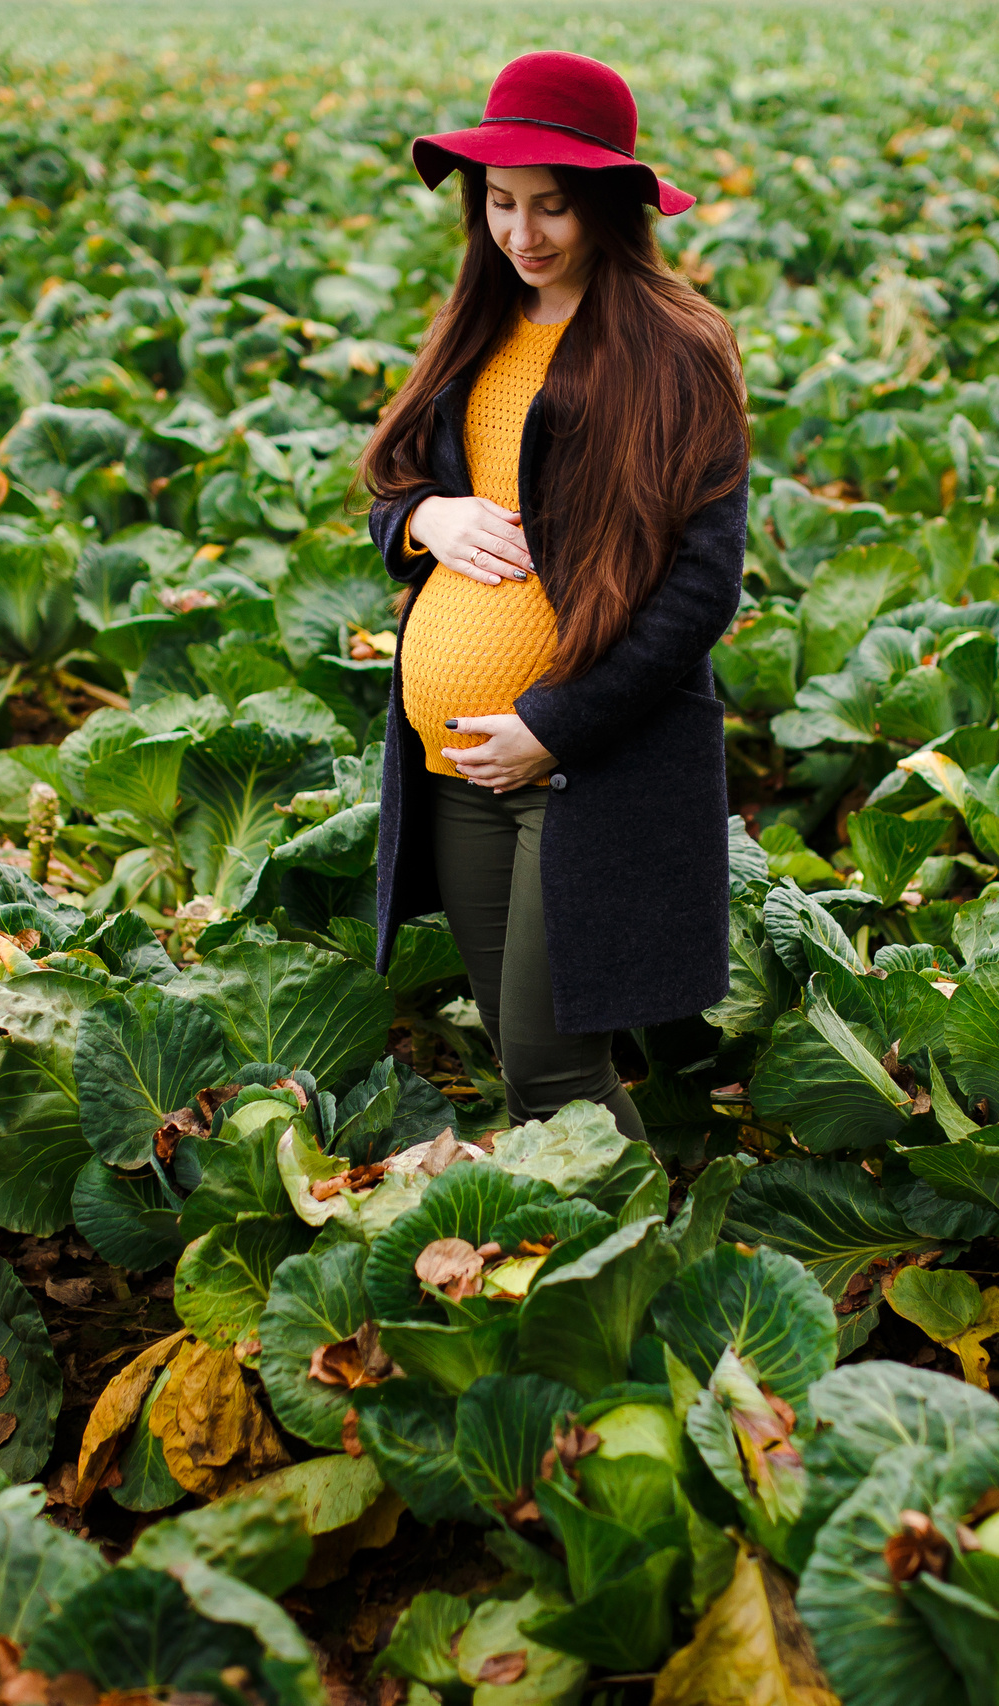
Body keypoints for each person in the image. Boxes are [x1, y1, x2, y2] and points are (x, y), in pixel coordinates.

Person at [360, 50, 750, 1143]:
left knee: (552, 1068)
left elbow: (702, 587)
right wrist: (425, 519)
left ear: (613, 209)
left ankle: (652, 1287)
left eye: (553, 209)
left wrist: (552, 723)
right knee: (525, 1061)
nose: (521, 235)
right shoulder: (478, 327)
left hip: (583, 765)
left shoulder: (676, 352)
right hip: (455, 764)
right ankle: (607, 1271)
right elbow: (394, 488)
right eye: (499, 205)